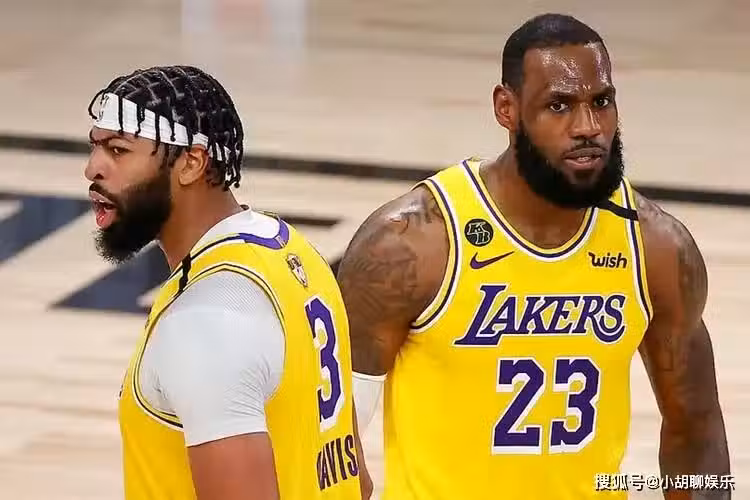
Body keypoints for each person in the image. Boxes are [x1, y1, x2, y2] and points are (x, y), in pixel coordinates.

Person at [338, 13, 731, 499]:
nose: (588, 127)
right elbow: (331, 437)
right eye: (559, 105)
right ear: (507, 108)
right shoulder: (412, 242)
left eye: (601, 102)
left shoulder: (657, 248)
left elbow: (696, 431)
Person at [85, 65, 364, 499]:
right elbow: (355, 480)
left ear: (192, 163)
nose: (92, 169)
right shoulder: (291, 251)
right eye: (95, 147)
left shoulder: (205, 323)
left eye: (118, 150)